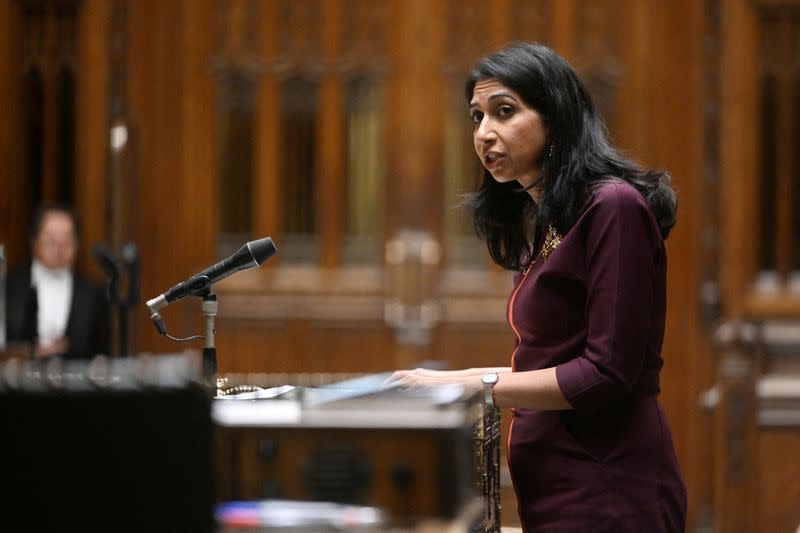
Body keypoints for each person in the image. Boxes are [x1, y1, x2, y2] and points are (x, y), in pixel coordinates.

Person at [386, 43, 687, 531]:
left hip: (609, 488)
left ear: (557, 116)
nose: (484, 133)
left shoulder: (613, 207)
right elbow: (544, 364)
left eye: (504, 112)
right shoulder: (554, 220)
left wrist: (471, 385)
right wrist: (442, 380)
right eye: (477, 116)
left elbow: (604, 372)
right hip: (555, 487)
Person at [5, 204, 110, 360]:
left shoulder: (94, 292)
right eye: (51, 240)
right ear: (34, 241)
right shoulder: (8, 285)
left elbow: (102, 352)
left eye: (66, 241)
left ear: (77, 244)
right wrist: (28, 352)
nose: (59, 248)